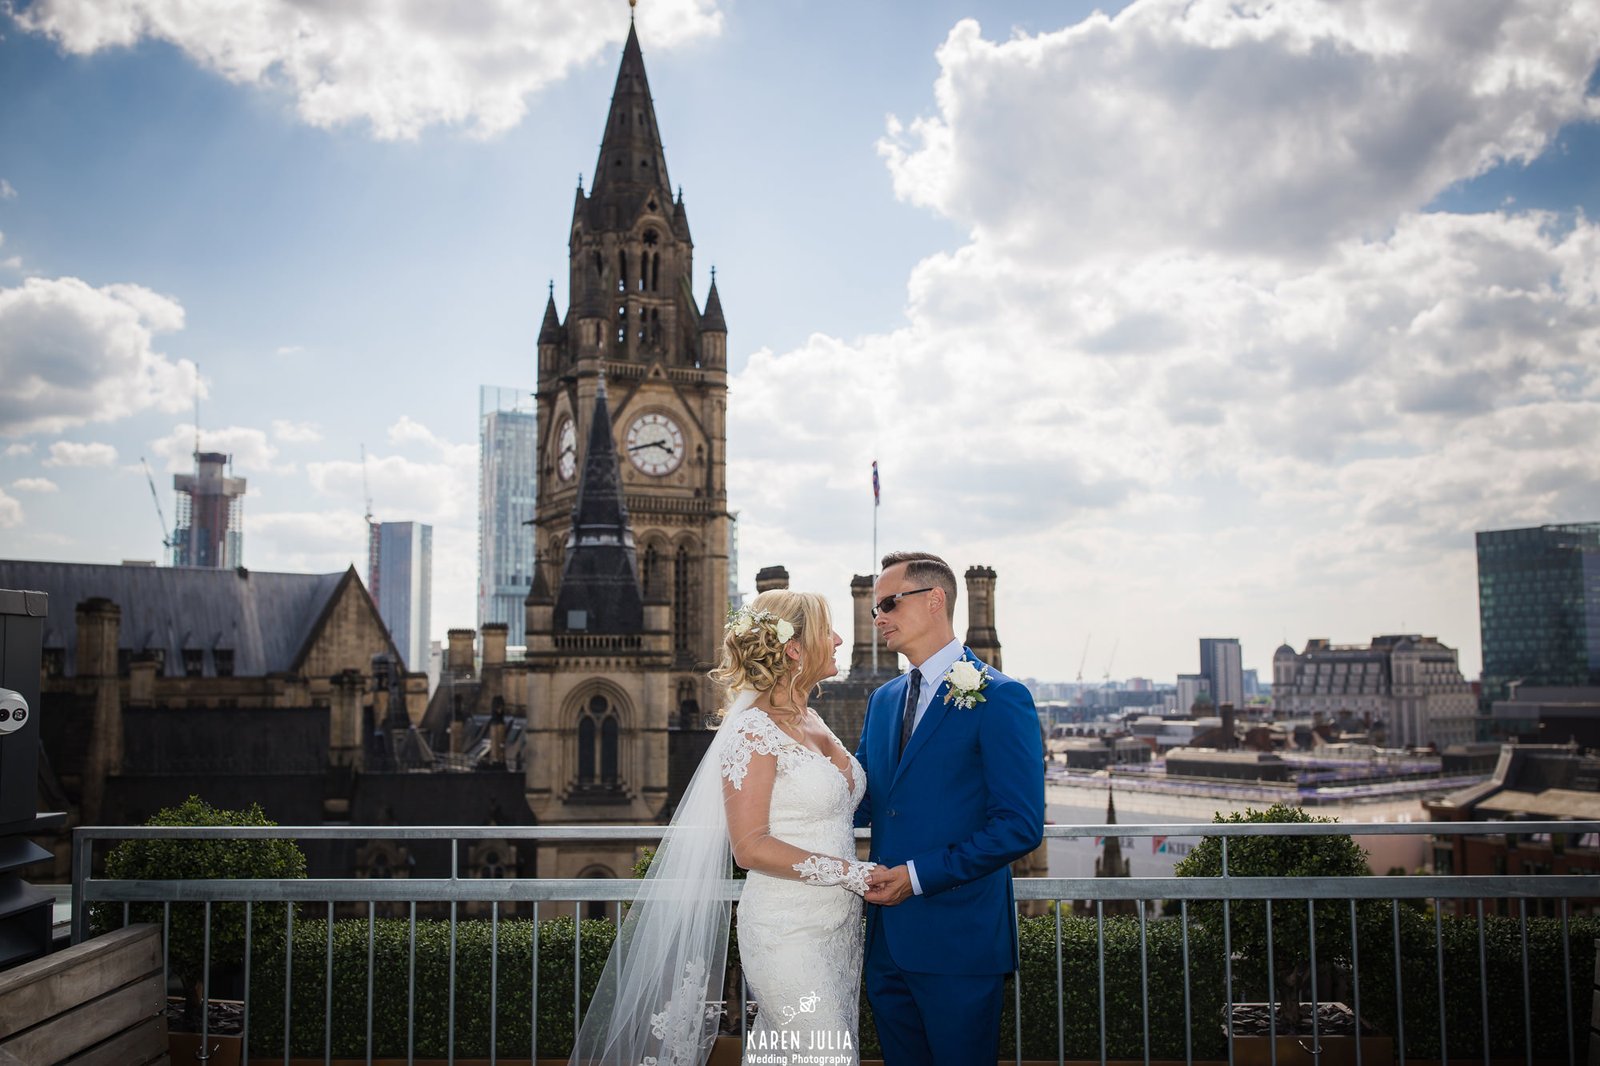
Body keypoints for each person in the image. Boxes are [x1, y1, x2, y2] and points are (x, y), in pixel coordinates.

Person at [569, 588, 874, 1066]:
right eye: (826, 631)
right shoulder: (753, 730)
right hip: (786, 933)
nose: (838, 640)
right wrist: (853, 874)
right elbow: (750, 847)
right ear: (794, 647)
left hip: (838, 930)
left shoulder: (813, 718)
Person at [856, 551, 1045, 1066]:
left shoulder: (1001, 697)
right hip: (887, 944)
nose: (879, 619)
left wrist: (916, 877)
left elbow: (1020, 826)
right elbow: (863, 801)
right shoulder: (884, 700)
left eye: (889, 603)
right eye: (874, 608)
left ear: (934, 600)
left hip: (960, 942)